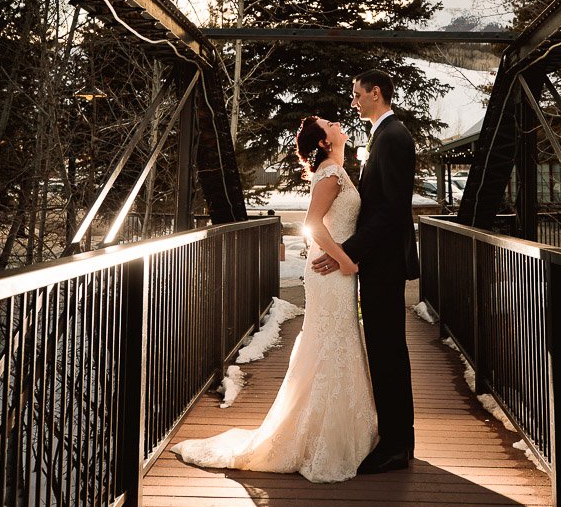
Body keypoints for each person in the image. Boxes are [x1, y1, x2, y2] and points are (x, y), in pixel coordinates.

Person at [171, 116, 377, 484]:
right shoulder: (330, 174)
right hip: (330, 272)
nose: (337, 122)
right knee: (330, 343)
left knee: (337, 343)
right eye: (329, 123)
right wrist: (345, 259)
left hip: (335, 272)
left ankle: (344, 432)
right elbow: (313, 224)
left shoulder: (337, 170)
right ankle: (321, 438)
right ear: (325, 143)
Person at [312, 68, 418, 474]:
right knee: (386, 349)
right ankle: (399, 438)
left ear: (376, 93)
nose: (353, 101)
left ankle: (395, 444)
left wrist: (347, 253)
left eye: (358, 94)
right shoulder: (384, 136)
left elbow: (390, 210)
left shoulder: (392, 138)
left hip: (383, 263)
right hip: (379, 261)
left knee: (387, 351)